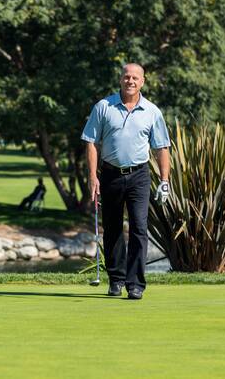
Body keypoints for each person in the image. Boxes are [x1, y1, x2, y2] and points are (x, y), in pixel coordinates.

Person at [81, 63, 170, 300]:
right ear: (120, 79)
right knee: (112, 229)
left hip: (139, 175)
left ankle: (135, 284)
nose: (130, 81)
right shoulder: (104, 106)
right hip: (110, 174)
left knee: (139, 228)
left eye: (135, 78)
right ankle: (116, 280)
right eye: (126, 77)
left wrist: (164, 181)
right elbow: (91, 141)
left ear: (143, 81)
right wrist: (93, 176)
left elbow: (161, 147)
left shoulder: (152, 111)